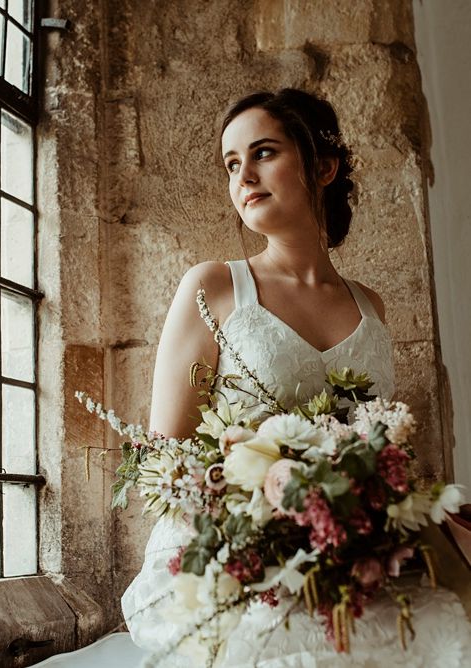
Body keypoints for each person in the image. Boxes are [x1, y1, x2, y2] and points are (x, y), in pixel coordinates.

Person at [120, 89, 471, 667]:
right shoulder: (213, 287)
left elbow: (383, 453)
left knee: (446, 622)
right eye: (232, 164)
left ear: (323, 167)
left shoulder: (371, 307)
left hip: (350, 546)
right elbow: (168, 459)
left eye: (262, 153)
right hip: (236, 548)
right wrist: (264, 518)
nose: (244, 176)